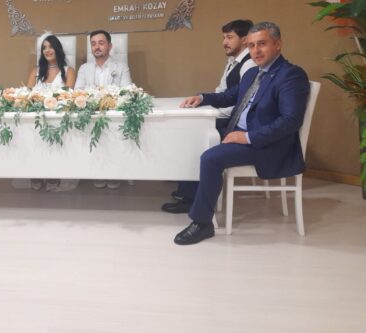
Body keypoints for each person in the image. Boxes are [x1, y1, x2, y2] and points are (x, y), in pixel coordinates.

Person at [166, 22, 310, 245]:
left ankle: (202, 223)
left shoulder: (291, 75)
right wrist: (202, 98)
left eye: (262, 44)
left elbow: (290, 121)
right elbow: (229, 96)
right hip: (240, 132)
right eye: (251, 45)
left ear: (278, 44)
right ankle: (191, 198)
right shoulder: (253, 73)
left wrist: (247, 137)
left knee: (211, 158)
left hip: (265, 144)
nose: (256, 51)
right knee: (194, 137)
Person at [166, 19, 256, 208]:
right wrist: (204, 101)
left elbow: (239, 101)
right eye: (223, 37)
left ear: (245, 40)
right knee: (189, 129)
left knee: (194, 136)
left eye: (229, 37)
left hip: (233, 121)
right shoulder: (232, 62)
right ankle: (186, 186)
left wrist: (211, 110)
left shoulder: (249, 65)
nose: (224, 42)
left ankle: (191, 197)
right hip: (223, 113)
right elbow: (221, 91)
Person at [75, 29, 132, 189]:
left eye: (101, 43)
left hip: (114, 114)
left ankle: (114, 173)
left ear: (109, 46)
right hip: (91, 113)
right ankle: (98, 172)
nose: (97, 47)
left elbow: (127, 91)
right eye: (93, 44)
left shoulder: (121, 67)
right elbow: (77, 91)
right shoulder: (84, 68)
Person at [26, 34, 76, 191]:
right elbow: (27, 94)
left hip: (58, 118)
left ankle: (54, 173)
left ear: (57, 49)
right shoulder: (36, 71)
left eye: (51, 47)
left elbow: (68, 95)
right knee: (35, 142)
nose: (47, 50)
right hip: (37, 118)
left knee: (55, 144)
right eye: (44, 48)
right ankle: (36, 173)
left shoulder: (69, 71)